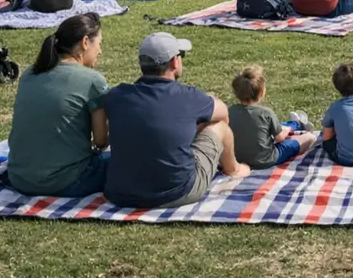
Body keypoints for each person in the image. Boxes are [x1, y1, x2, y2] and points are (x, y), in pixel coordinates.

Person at [103, 33, 250, 209]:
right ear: (174, 61)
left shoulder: (117, 95)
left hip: (121, 193)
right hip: (177, 192)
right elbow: (223, 114)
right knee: (219, 126)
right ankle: (233, 169)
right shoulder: (189, 97)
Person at [6, 13, 109, 196]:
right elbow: (101, 140)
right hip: (66, 181)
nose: (100, 51)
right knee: (133, 163)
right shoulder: (93, 81)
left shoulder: (30, 73)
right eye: (99, 44)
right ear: (86, 42)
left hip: (20, 177)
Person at [228, 66, 317, 170]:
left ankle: (295, 123)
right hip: (266, 160)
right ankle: (296, 124)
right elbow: (279, 138)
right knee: (310, 138)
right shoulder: (265, 113)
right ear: (261, 92)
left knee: (277, 127)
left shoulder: (230, 111)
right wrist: (287, 130)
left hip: (238, 160)